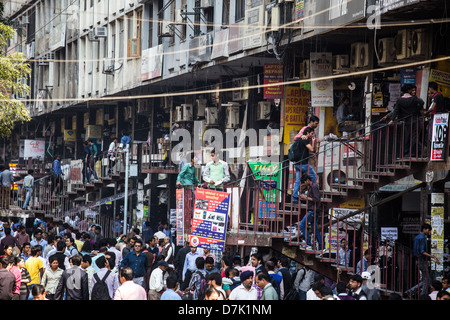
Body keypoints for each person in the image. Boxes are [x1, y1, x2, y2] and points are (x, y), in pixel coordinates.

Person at [383, 83, 425, 157]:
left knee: (409, 137)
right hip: (415, 119)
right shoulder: (414, 98)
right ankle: (417, 151)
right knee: (414, 137)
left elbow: (396, 110)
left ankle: (411, 152)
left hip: (406, 120)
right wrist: (416, 110)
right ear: (409, 90)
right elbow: (422, 102)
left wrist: (391, 120)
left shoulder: (400, 100)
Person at [409, 223, 441, 297]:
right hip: (421, 259)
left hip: (418, 259)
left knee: (425, 279)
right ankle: (423, 296)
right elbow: (422, 251)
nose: (429, 232)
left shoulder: (417, 237)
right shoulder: (422, 237)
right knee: (427, 280)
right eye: (428, 230)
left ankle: (411, 291)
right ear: (424, 229)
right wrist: (433, 257)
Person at [292, 127, 317, 204]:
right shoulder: (305, 140)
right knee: (314, 176)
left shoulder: (299, 140)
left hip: (297, 164)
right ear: (307, 133)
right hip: (303, 164)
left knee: (298, 181)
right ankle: (312, 193)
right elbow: (312, 149)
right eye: (312, 133)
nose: (313, 135)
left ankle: (295, 197)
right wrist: (313, 142)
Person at [298, 174, 323, 251]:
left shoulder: (313, 186)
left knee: (302, 225)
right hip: (314, 210)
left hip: (312, 210)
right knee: (314, 229)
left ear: (308, 180)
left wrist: (306, 197)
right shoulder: (310, 187)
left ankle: (308, 244)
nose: (304, 184)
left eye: (304, 182)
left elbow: (316, 199)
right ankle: (322, 247)